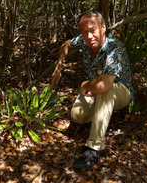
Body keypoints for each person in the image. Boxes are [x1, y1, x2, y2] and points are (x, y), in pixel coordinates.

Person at [51, 12, 134, 170]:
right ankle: (101, 114)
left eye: (93, 30)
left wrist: (85, 85)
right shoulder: (84, 40)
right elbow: (67, 44)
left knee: (105, 89)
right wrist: (58, 67)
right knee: (77, 115)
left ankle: (94, 148)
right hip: (95, 89)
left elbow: (103, 85)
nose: (89, 36)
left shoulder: (115, 48)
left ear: (103, 28)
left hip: (120, 90)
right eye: (84, 32)